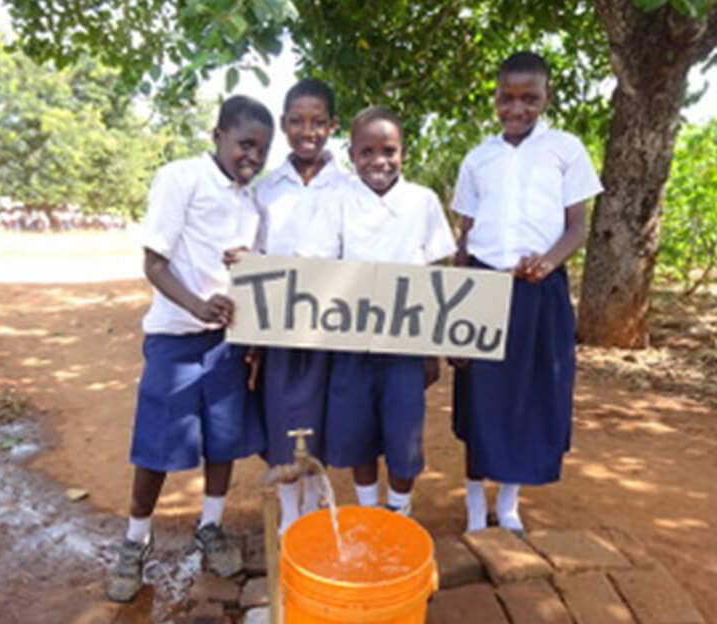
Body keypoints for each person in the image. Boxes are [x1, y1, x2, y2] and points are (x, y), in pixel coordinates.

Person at [106, 95, 274, 603]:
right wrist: (198, 306)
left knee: (223, 440)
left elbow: (254, 275)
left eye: (263, 150)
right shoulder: (181, 178)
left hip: (227, 343)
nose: (253, 157)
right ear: (218, 134)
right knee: (157, 444)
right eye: (246, 143)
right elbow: (154, 263)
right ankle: (135, 541)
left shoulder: (253, 202)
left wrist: (253, 335)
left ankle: (211, 526)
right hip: (175, 340)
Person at [451, 51, 603, 534]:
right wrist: (455, 306)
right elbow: (464, 235)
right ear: (495, 98)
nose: (517, 108)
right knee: (480, 396)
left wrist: (549, 260)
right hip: (484, 285)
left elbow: (577, 226)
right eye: (507, 98)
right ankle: (476, 503)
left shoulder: (565, 149)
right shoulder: (479, 159)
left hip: (540, 292)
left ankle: (509, 502)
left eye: (529, 98)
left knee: (529, 396)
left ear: (546, 98)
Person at [297, 106, 456, 516]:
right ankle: (368, 508)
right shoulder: (337, 200)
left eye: (388, 150)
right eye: (366, 152)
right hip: (350, 343)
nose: (378, 161)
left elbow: (439, 275)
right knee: (357, 431)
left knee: (404, 435)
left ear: (403, 151)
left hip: (406, 345)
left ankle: (399, 509)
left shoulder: (422, 201)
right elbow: (316, 268)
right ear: (351, 155)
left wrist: (432, 347)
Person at [254, 78, 348, 533]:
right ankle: (290, 513)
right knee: (283, 415)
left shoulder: (349, 189)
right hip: (279, 325)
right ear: (283, 124)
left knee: (322, 418)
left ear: (332, 125)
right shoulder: (266, 189)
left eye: (317, 122)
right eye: (296, 121)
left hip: (333, 324)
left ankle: (316, 507)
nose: (306, 131)